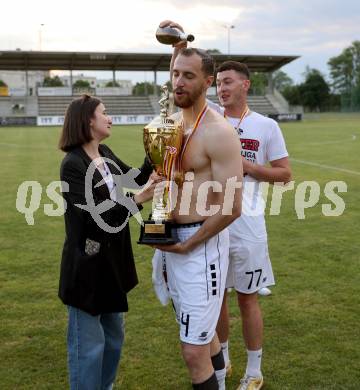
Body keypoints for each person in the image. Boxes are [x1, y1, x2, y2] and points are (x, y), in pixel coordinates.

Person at [162, 20, 292, 390]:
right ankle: (223, 361)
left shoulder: (263, 126)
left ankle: (255, 370)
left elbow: (285, 174)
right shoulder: (193, 121)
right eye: (219, 82)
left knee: (248, 299)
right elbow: (177, 86)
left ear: (244, 85)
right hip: (205, 222)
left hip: (245, 221)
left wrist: (250, 167)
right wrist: (178, 47)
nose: (222, 87)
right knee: (214, 302)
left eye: (227, 81)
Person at [153, 45, 243, 390]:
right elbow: (166, 181)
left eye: (188, 76)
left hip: (199, 244)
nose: (179, 82)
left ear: (207, 82)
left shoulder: (218, 133)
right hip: (173, 241)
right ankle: (220, 380)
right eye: (176, 73)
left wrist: (188, 243)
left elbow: (231, 206)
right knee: (202, 336)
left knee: (193, 350)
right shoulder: (171, 125)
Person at [58, 94, 160, 390]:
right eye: (105, 113)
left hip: (112, 265)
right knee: (89, 351)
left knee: (113, 341)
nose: (109, 117)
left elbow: (136, 179)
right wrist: (139, 200)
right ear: (88, 120)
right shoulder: (73, 165)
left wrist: (155, 152)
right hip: (87, 270)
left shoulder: (104, 151)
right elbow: (95, 219)